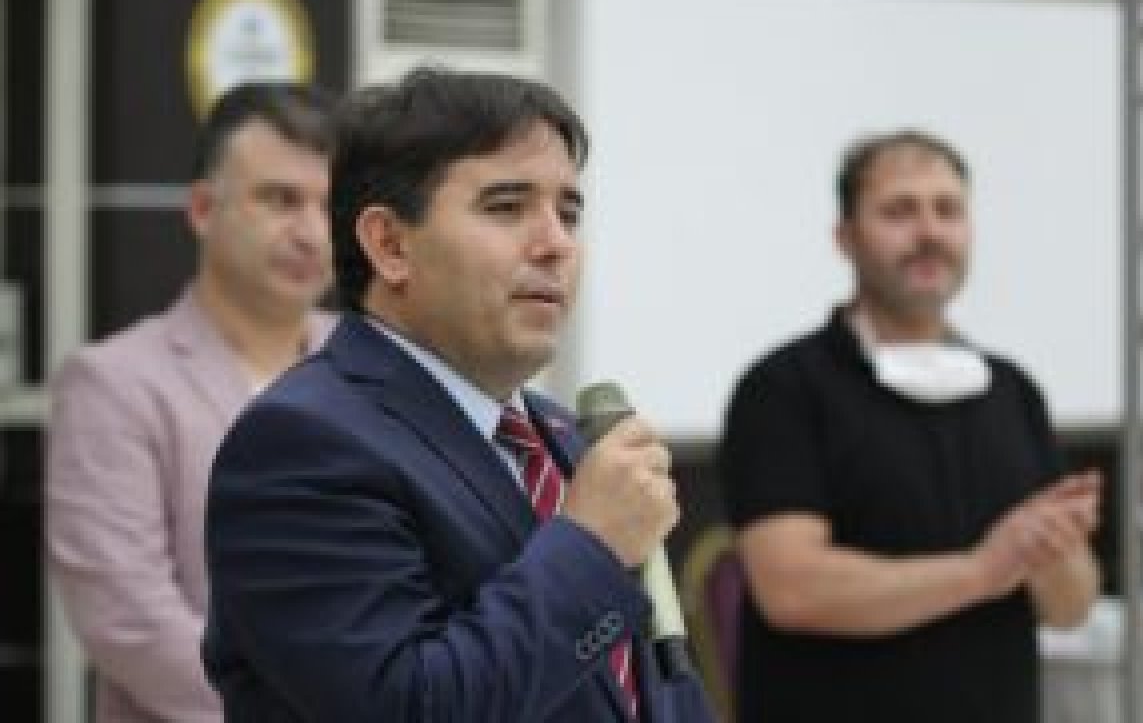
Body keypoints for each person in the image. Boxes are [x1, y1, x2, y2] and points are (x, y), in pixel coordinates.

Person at [202, 67, 716, 723]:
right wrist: (591, 546)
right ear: (390, 245)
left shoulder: (566, 440)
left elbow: (660, 691)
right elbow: (410, 707)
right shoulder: (299, 445)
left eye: (569, 212)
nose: (556, 244)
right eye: (506, 207)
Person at [718, 131, 1101, 723]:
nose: (929, 232)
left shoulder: (1012, 391)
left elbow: (1070, 609)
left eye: (948, 210)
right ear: (845, 237)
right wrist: (982, 571)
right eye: (899, 211)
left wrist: (1054, 545)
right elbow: (791, 589)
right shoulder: (784, 389)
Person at [46, 81, 337, 723]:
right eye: (281, 200)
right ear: (203, 209)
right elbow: (131, 622)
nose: (312, 233)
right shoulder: (114, 384)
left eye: (329, 206)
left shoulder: (378, 368)